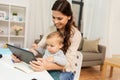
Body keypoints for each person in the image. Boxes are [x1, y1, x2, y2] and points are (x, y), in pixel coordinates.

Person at [12, 0, 81, 80]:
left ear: (69, 16)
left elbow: (68, 63)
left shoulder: (76, 34)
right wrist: (22, 56)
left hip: (65, 71)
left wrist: (47, 66)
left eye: (59, 18)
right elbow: (38, 49)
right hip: (48, 67)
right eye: (53, 17)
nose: (55, 22)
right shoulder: (51, 29)